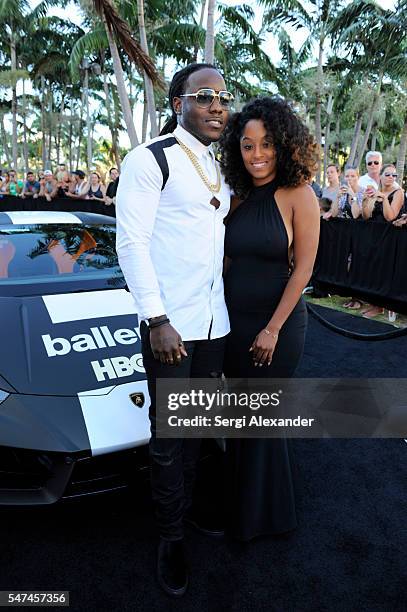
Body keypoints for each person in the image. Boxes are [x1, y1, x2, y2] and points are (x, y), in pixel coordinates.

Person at [116, 63, 233, 597]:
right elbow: (131, 244)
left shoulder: (218, 165)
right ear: (178, 101)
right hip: (172, 326)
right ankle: (170, 537)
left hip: (216, 321)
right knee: (169, 437)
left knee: (202, 426)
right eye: (204, 96)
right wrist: (156, 318)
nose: (216, 106)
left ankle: (190, 512)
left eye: (223, 98)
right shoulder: (150, 158)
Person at [219, 96, 320, 541]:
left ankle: (260, 520)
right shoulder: (238, 196)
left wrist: (273, 328)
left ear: (283, 145)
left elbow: (303, 268)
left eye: (266, 145)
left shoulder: (299, 194)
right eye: (247, 145)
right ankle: (257, 506)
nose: (257, 155)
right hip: (234, 322)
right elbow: (222, 259)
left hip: (276, 326)